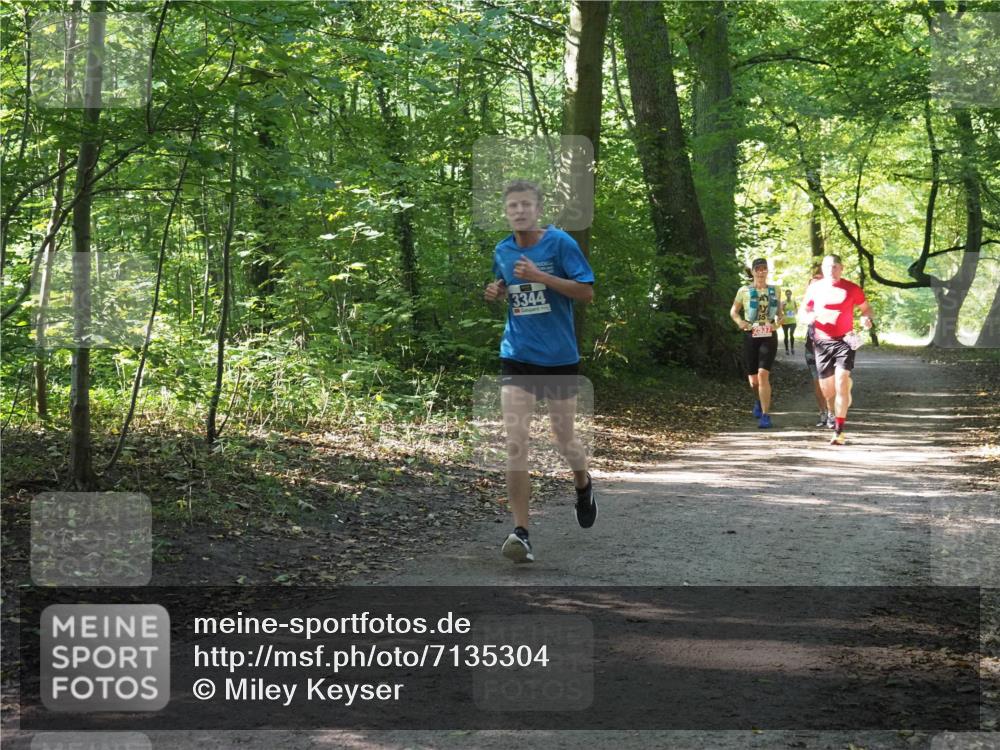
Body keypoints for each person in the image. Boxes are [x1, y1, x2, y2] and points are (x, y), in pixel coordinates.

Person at [483, 179, 597, 563]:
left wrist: (542, 277)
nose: (519, 211)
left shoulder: (561, 243)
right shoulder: (502, 250)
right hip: (517, 355)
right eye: (512, 205)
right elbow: (505, 285)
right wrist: (495, 292)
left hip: (560, 357)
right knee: (515, 442)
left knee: (563, 437)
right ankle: (521, 532)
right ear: (506, 211)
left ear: (538, 209)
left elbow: (586, 292)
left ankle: (582, 484)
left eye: (525, 205)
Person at [799, 254, 875, 445]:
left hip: (845, 341)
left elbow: (866, 309)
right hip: (822, 342)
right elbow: (803, 311)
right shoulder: (815, 288)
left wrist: (866, 319)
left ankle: (839, 431)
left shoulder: (852, 288)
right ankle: (836, 404)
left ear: (841, 268)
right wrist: (807, 318)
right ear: (822, 269)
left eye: (835, 267)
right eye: (827, 267)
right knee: (827, 391)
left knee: (841, 381)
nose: (831, 271)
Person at [730, 258, 784, 429]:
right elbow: (734, 311)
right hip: (750, 335)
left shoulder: (775, 290)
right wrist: (740, 322)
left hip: (769, 334)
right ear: (752, 272)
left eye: (764, 269)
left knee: (763, 375)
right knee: (753, 380)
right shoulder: (744, 290)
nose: (761, 272)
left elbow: (780, 313)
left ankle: (766, 415)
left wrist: (779, 321)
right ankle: (758, 401)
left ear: (767, 271)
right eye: (758, 269)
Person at [802, 271, 835, 428]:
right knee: (817, 383)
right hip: (811, 349)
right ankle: (823, 413)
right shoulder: (806, 305)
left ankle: (832, 414)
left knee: (829, 382)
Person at [782, 288, 797, 355]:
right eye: (787, 294)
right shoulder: (783, 302)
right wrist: (783, 306)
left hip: (792, 321)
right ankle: (787, 349)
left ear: (791, 294)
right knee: (786, 336)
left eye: (789, 294)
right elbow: (780, 311)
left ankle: (792, 348)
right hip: (785, 321)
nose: (788, 295)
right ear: (785, 295)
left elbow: (796, 309)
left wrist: (795, 312)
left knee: (791, 334)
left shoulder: (793, 301)